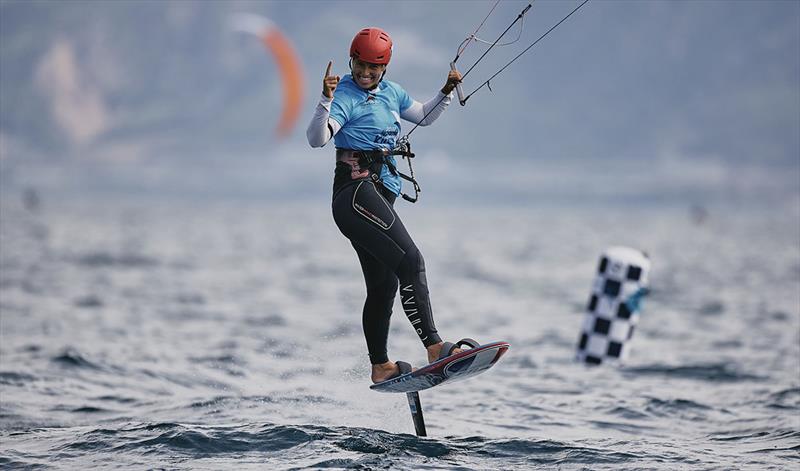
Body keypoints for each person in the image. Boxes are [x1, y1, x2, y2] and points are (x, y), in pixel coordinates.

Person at [307, 27, 470, 384]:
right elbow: (317, 139)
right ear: (352, 61)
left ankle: (380, 367)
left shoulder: (392, 93)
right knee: (412, 261)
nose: (365, 74)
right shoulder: (344, 96)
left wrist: (446, 91)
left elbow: (423, 116)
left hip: (379, 196)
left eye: (373, 69)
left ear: (385, 69)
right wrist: (324, 99)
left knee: (384, 286)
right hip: (354, 194)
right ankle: (435, 346)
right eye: (360, 66)